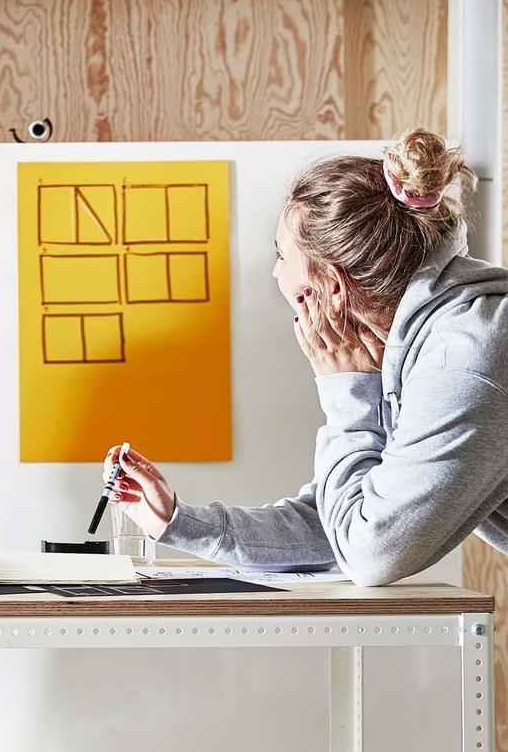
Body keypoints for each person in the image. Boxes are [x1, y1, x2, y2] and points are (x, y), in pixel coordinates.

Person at [105, 129, 508, 587]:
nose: (276, 271)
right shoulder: (427, 341)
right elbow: (340, 524)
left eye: (281, 254)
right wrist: (177, 521)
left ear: (331, 287)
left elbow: (370, 553)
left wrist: (350, 392)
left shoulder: (463, 358)